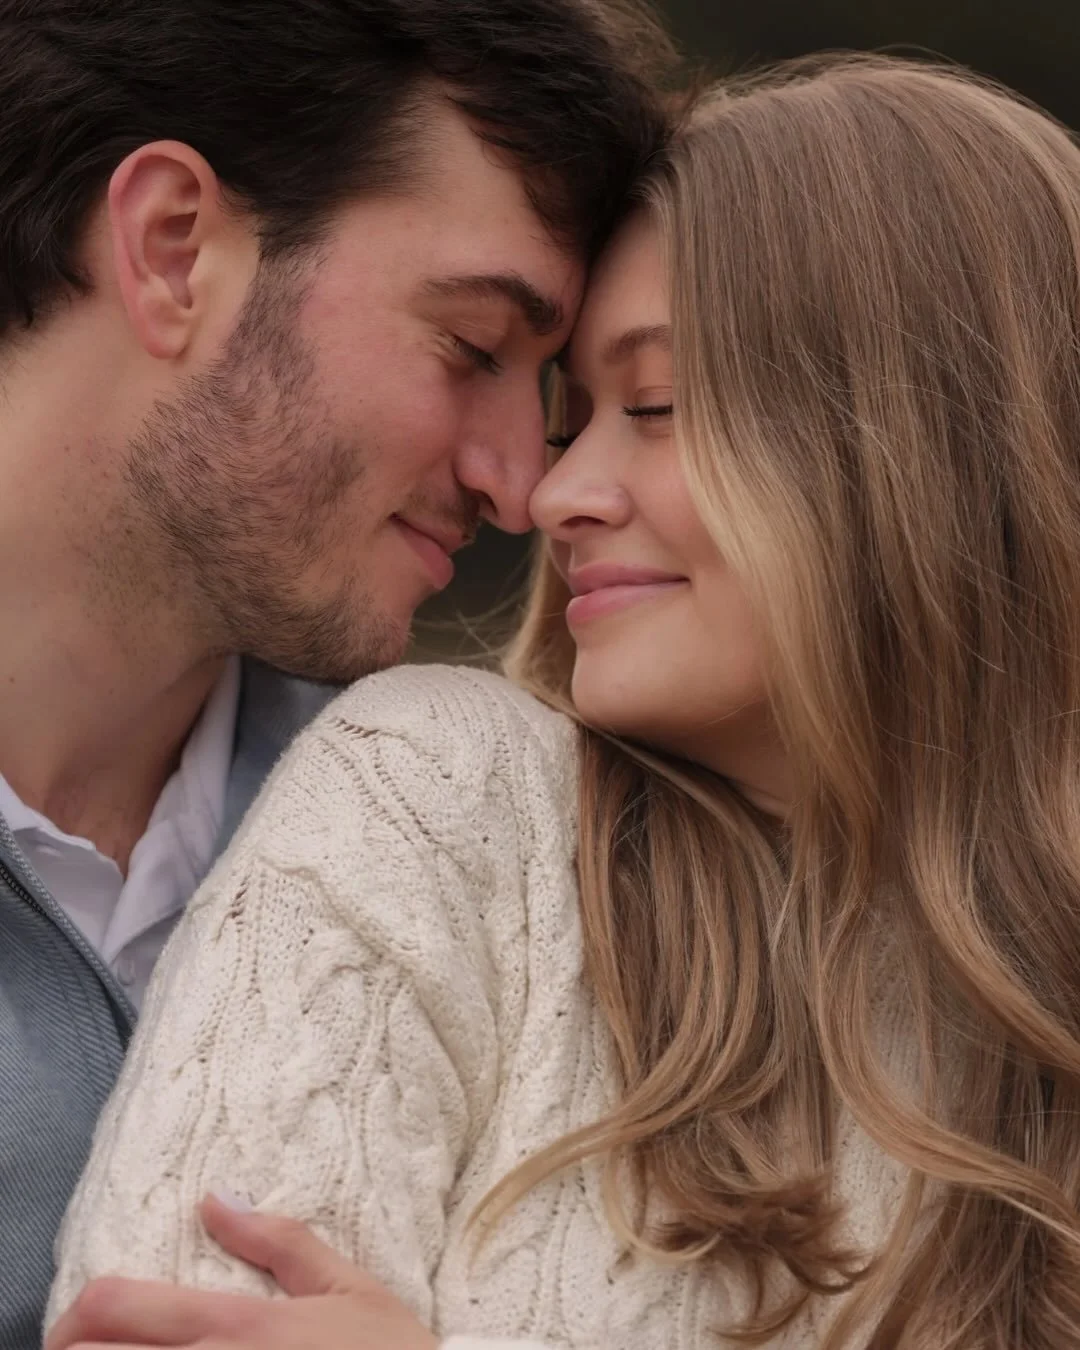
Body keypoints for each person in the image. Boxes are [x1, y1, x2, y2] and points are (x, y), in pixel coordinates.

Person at [43, 52, 1080, 1350]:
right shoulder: (437, 800)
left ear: (921, 448)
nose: (549, 494)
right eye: (576, 412)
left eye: (652, 404)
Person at [0, 1, 674, 1344]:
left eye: (548, 397)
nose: (522, 482)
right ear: (173, 250)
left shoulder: (486, 853)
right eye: (474, 348)